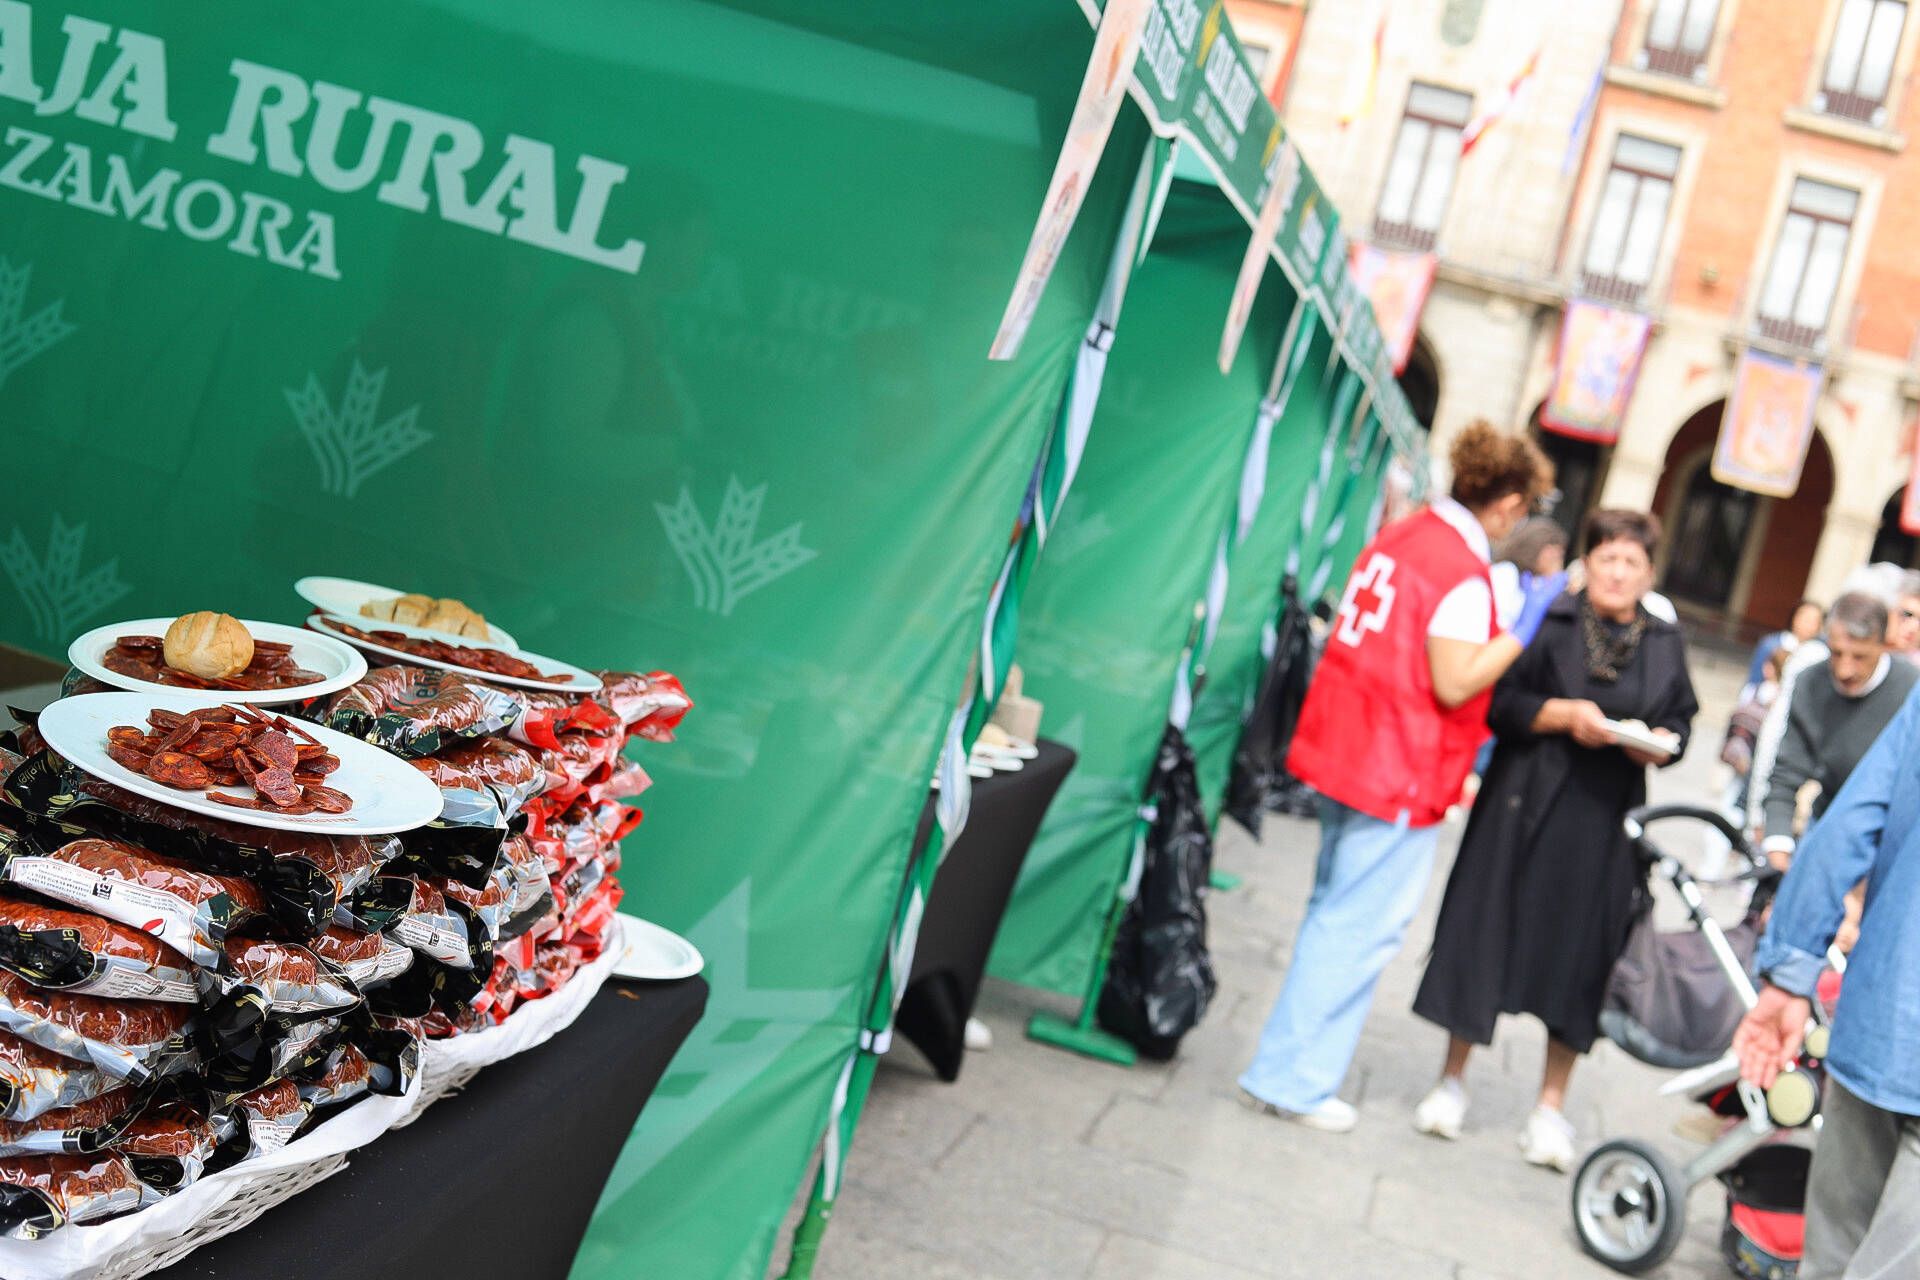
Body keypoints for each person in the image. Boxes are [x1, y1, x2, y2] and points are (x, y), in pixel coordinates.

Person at [1237, 421, 1560, 1134]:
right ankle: (1294, 1079)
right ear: (1505, 503)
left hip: (1346, 748)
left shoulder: (1405, 536)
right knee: (1356, 928)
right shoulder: (1462, 571)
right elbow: (1454, 682)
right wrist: (1521, 630)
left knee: (1331, 912)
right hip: (1399, 766)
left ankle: (1284, 1069)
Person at [1408, 510, 1699, 1171]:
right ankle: (1452, 1079)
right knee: (1488, 933)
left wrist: (1656, 749)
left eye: (1632, 563)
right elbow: (1498, 702)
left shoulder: (1663, 639)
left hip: (1603, 819)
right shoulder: (1549, 616)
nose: (1618, 573)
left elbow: (1679, 719)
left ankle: (1549, 1107)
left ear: (1649, 573)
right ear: (1586, 563)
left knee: (1580, 958)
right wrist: (1561, 715)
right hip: (1523, 803)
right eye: (1607, 559)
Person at [1735, 686, 1920, 1279]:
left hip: (1880, 1020)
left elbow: (1848, 824)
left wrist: (1790, 974)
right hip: (1882, 1027)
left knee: (1830, 1260)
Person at [1755, 592, 1919, 865]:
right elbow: (1786, 772)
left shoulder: (1911, 691)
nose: (1844, 670)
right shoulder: (1811, 683)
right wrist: (1778, 845)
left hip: (1893, 840)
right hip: (1827, 822)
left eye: (1859, 657)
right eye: (1836, 653)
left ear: (1883, 645)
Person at [1489, 518, 1570, 631]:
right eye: (1554, 555)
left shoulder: (1532, 582)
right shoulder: (1507, 572)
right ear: (1535, 548)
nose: (1557, 562)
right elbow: (1499, 624)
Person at [1744, 601, 1825, 696]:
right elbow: (1753, 683)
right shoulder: (1771, 644)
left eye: (1815, 621)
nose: (1810, 625)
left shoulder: (1821, 653)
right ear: (1795, 618)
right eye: (1807, 620)